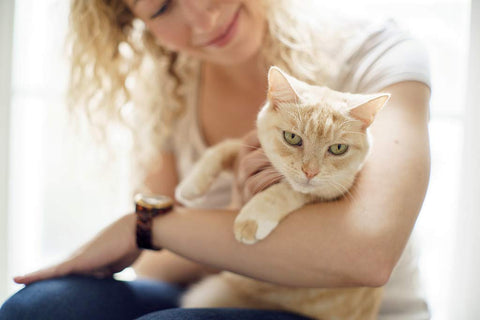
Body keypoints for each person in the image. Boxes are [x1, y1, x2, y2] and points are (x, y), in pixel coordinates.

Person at [0, 0, 432, 319]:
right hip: (229, 291)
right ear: (133, 21)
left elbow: (367, 254)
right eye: (162, 7)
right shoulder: (169, 87)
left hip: (339, 310)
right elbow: (155, 264)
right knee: (39, 309)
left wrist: (146, 225)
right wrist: (236, 220)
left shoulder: (377, 55)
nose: (203, 17)